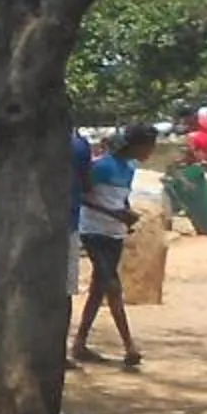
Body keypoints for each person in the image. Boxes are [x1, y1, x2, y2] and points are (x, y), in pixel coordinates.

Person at [71, 123, 157, 368]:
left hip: (114, 233)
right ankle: (129, 345)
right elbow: (82, 197)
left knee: (99, 289)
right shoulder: (101, 166)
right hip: (94, 230)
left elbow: (120, 198)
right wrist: (113, 213)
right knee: (112, 285)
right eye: (149, 147)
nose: (150, 152)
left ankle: (80, 343)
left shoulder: (130, 168)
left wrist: (125, 214)